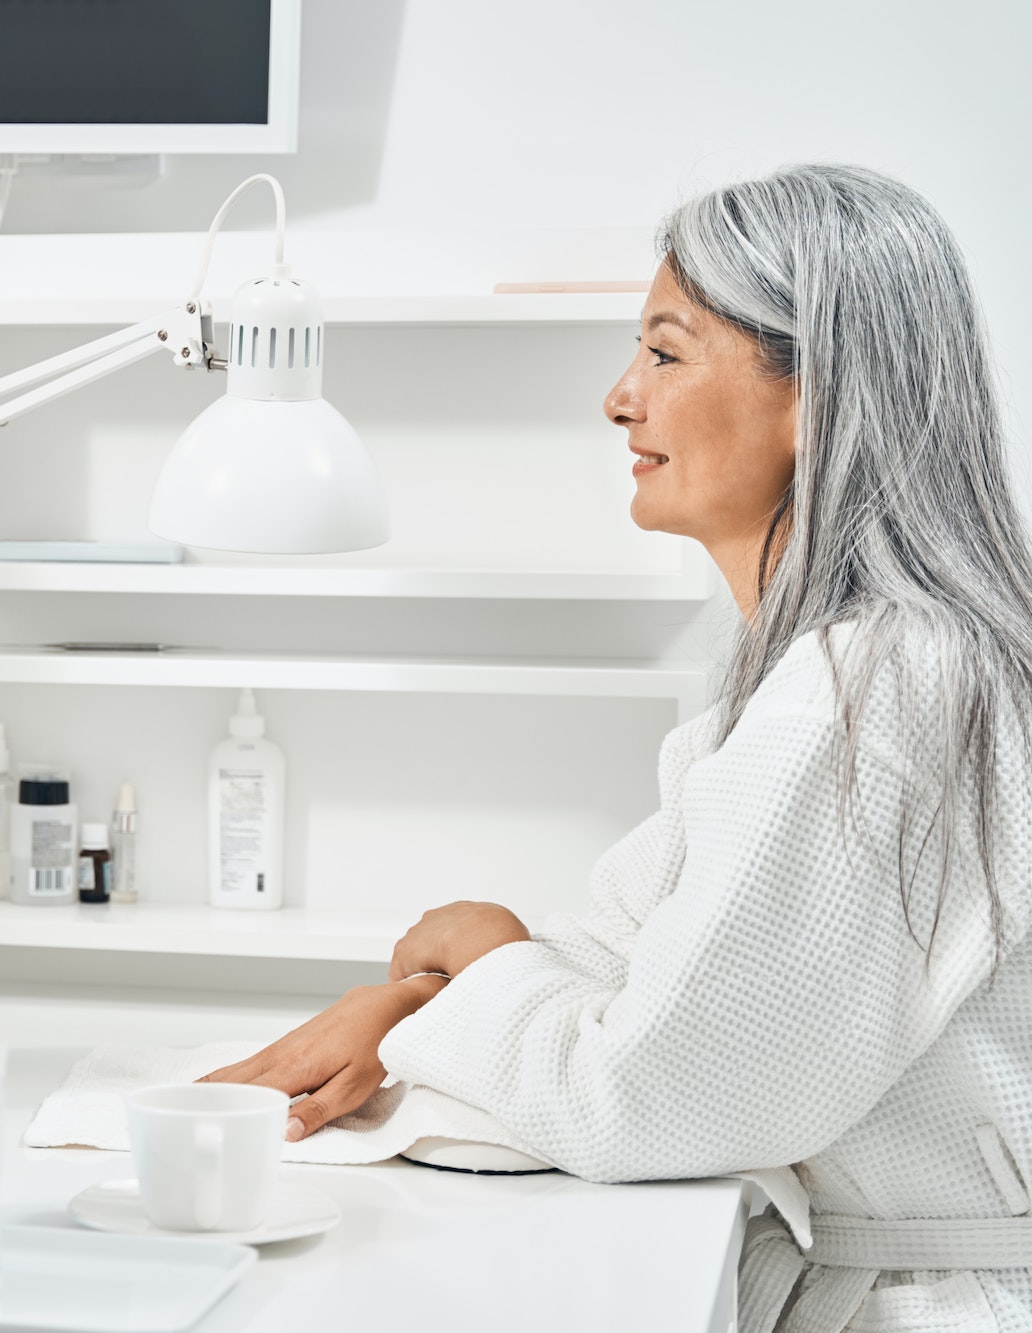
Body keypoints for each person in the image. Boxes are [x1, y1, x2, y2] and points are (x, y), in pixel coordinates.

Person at [204, 165, 1032, 1331]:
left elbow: (647, 1093)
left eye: (664, 352)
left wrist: (483, 957)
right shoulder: (844, 678)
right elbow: (644, 969)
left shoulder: (865, 698)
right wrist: (403, 1008)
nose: (616, 398)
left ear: (816, 394)